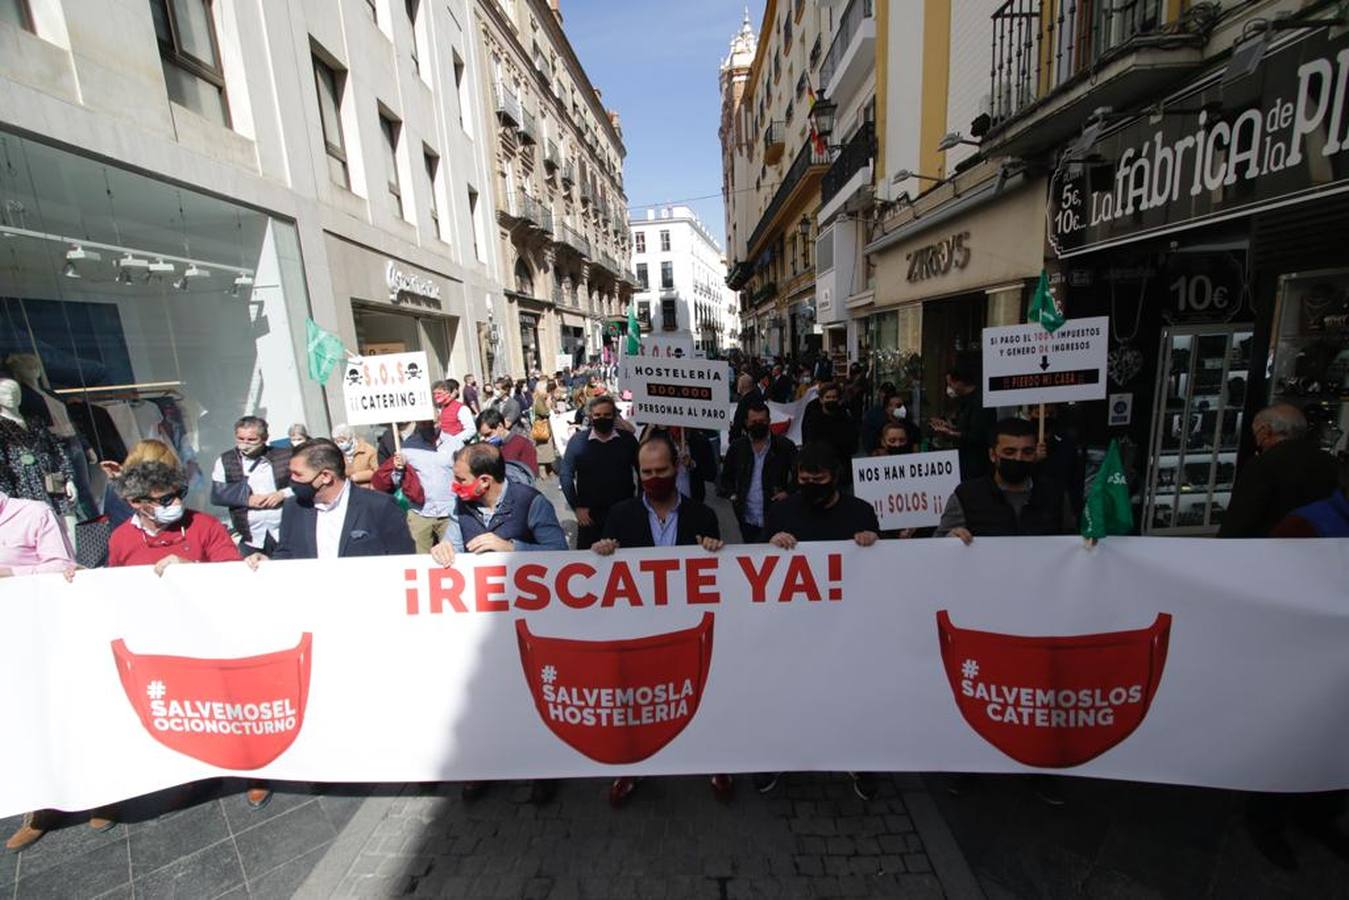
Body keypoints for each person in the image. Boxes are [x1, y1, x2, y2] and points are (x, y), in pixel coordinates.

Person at [590, 436, 729, 807]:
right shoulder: (620, 515)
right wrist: (602, 552)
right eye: (646, 472)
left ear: (677, 468)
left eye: (661, 470)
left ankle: (715, 762)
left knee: (700, 693)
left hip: (689, 628)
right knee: (637, 700)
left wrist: (714, 550)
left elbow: (718, 574)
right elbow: (601, 575)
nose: (653, 478)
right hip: (640, 629)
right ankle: (631, 768)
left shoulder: (703, 515)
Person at [758, 441, 879, 800]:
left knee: (850, 697)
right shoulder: (781, 513)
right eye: (803, 478)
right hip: (792, 626)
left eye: (818, 478)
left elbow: (880, 568)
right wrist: (771, 544)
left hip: (846, 626)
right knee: (787, 694)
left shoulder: (861, 512)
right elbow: (759, 569)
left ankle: (859, 761)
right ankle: (778, 758)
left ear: (835, 477)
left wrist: (874, 543)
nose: (810, 483)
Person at [1, 490, 82, 853]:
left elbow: (61, 566)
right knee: (19, 724)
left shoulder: (32, 513)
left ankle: (100, 796)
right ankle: (41, 806)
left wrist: (10, 573)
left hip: (39, 631)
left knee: (65, 711)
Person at [245, 439, 415, 563]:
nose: (292, 480)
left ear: (325, 476)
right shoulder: (293, 507)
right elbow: (286, 553)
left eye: (298, 474)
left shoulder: (380, 506)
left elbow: (402, 561)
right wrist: (268, 563)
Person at [935, 418, 1077, 543]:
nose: (1018, 458)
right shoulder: (966, 495)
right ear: (992, 455)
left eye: (1027, 452)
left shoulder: (1055, 494)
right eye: (1009, 452)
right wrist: (950, 539)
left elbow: (1072, 542)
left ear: (1035, 454)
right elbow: (936, 546)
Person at [1217, 403, 1339, 538]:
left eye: (1256, 433)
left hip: (1271, 545)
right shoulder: (1330, 461)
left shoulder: (1263, 464)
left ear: (1265, 431)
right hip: (1321, 543)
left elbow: (1241, 517)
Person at [108, 460, 241, 572]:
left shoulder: (207, 525)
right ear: (135, 502)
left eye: (180, 494)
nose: (177, 502)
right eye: (165, 499)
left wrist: (191, 569)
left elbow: (233, 574)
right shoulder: (120, 538)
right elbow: (117, 587)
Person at [559, 396, 639, 548]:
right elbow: (565, 475)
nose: (602, 419)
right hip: (589, 516)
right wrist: (576, 507)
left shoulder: (628, 441)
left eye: (607, 415)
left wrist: (640, 504)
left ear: (614, 416)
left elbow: (642, 471)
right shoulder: (577, 441)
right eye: (597, 415)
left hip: (624, 514)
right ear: (590, 417)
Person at [210, 416, 291, 557]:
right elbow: (217, 494)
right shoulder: (225, 460)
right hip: (250, 537)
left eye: (252, 440)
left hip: (286, 532)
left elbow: (303, 485)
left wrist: (282, 494)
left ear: (264, 438)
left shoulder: (286, 456)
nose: (245, 444)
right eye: (240, 439)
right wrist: (246, 499)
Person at [720, 400, 797, 542]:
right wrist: (733, 495)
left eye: (762, 421)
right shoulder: (737, 447)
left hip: (775, 517)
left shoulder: (784, 446)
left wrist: (788, 493)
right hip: (746, 519)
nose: (758, 425)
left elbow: (800, 476)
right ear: (746, 422)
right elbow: (725, 478)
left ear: (769, 421)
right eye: (753, 421)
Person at [391, 421, 459, 553]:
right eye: (423, 423)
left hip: (450, 512)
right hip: (420, 513)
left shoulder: (455, 444)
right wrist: (399, 469)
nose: (428, 426)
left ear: (439, 420)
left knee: (453, 557)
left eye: (431, 422)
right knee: (419, 561)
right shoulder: (406, 448)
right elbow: (396, 481)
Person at [930, 361, 996, 482]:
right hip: (965, 459)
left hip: (977, 463)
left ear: (960, 382)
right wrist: (949, 427)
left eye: (951, 384)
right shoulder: (964, 401)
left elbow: (977, 435)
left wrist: (951, 432)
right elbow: (964, 427)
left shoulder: (980, 403)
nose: (949, 388)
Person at [802, 382, 860, 490]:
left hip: (842, 472)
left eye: (834, 397)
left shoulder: (847, 419)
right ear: (821, 399)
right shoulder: (813, 420)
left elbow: (853, 445)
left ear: (839, 399)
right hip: (819, 471)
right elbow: (808, 443)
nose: (831, 400)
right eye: (828, 397)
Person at [640, 424, 716, 503]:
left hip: (690, 502)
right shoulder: (657, 436)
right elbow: (641, 456)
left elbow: (711, 474)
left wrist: (692, 464)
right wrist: (650, 428)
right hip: (661, 502)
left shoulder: (700, 441)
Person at [477, 408, 538, 478]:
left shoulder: (523, 444)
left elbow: (530, 475)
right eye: (483, 436)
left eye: (488, 434)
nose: (486, 439)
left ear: (500, 426)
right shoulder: (488, 447)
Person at [332, 424, 378, 488]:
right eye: (336, 442)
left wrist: (357, 476)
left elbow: (377, 471)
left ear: (350, 439)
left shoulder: (368, 450)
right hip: (347, 489)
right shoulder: (336, 453)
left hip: (367, 488)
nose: (339, 444)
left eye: (342, 441)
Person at [860, 383, 900, 454]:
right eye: (885, 393)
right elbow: (867, 436)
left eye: (890, 393)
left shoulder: (901, 412)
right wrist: (872, 451)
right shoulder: (872, 414)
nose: (886, 395)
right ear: (880, 394)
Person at [729, 372, 764, 443]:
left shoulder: (744, 402)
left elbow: (738, 424)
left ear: (742, 385)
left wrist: (732, 438)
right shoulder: (757, 397)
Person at [532, 382, 558, 477]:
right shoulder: (538, 400)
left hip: (545, 426)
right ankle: (542, 471)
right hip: (541, 427)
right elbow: (545, 412)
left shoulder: (542, 399)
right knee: (542, 448)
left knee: (548, 448)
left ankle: (549, 469)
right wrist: (548, 405)